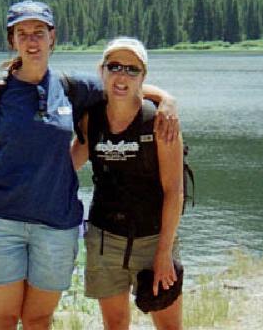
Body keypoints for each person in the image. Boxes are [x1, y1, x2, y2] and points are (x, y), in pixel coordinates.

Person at [0, 1, 178, 330]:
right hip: (0, 223)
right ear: (12, 40)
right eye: (23, 33)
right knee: (3, 319)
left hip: (56, 226)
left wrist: (166, 100)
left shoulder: (70, 88)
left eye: (39, 33)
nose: (32, 41)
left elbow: (121, 87)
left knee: (37, 319)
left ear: (52, 38)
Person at [72, 37, 184, 330]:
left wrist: (164, 253)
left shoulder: (160, 122)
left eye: (132, 69)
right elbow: (66, 165)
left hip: (152, 239)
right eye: (114, 66)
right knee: (115, 324)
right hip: (104, 239)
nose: (122, 75)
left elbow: (174, 192)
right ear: (102, 71)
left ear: (143, 76)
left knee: (169, 325)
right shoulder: (91, 119)